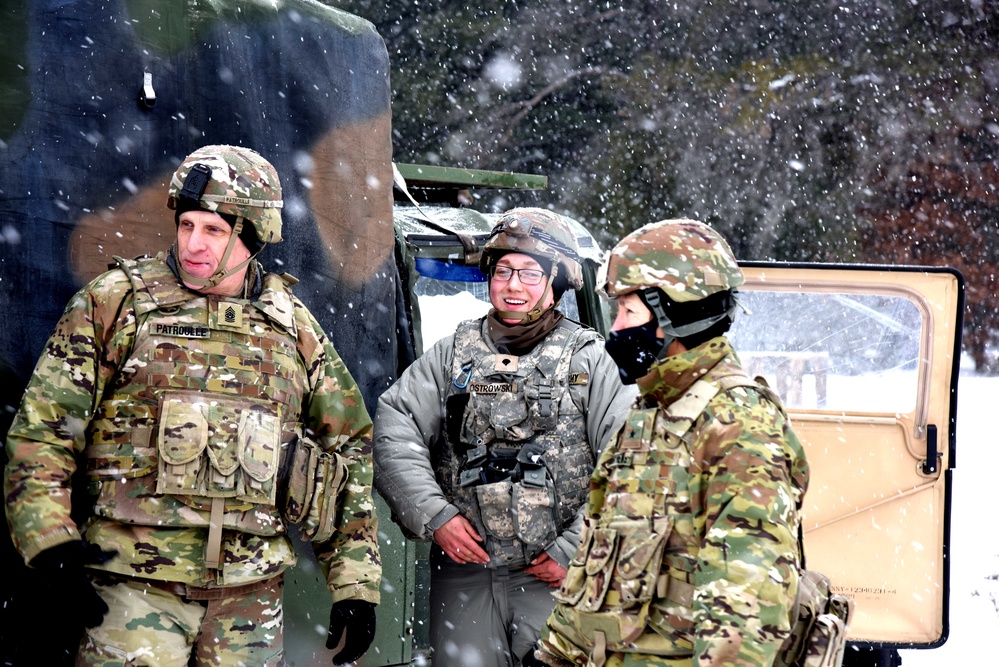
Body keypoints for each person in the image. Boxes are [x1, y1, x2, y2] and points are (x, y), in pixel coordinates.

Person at [3, 145, 380, 666]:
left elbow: (350, 451)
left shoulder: (293, 327)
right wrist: (50, 546)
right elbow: (43, 433)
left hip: (251, 596)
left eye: (215, 230)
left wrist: (355, 582)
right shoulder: (116, 304)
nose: (193, 245)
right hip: (134, 589)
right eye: (186, 225)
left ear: (255, 236)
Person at [529, 219, 810, 667]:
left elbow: (749, 596)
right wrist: (556, 654)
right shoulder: (650, 412)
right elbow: (600, 560)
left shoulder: (737, 422)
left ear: (675, 317)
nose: (616, 328)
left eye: (629, 312)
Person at [373, 208, 633, 667]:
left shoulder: (590, 361)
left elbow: (627, 462)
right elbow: (396, 428)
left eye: (531, 272)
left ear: (557, 282)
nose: (514, 285)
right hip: (465, 579)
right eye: (504, 270)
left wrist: (574, 548)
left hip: (556, 578)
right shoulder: (453, 354)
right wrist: (436, 515)